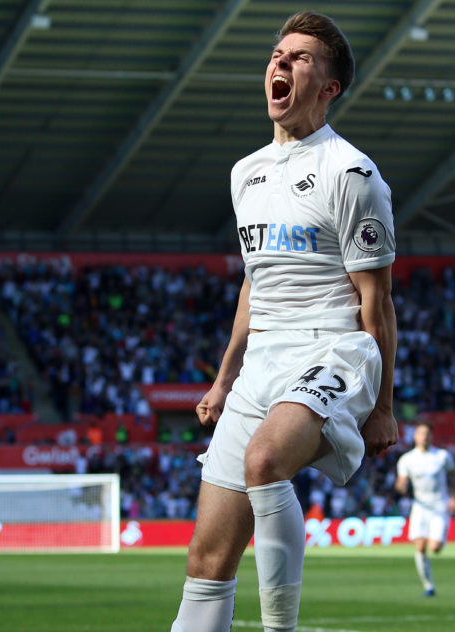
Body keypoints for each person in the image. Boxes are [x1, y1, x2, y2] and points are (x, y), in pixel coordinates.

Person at [169, 11, 397, 632]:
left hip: (333, 348)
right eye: (276, 55)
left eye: (298, 58)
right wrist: (223, 380)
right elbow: (255, 283)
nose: (279, 64)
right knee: (207, 557)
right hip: (261, 358)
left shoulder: (352, 175)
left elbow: (377, 301)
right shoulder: (247, 173)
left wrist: (382, 406)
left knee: (265, 461)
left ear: (329, 87)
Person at [395, 422, 455, 597]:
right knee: (420, 546)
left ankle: (437, 546)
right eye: (421, 433)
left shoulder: (442, 456)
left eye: (427, 434)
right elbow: (401, 482)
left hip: (440, 505)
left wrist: (454, 497)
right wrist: (401, 486)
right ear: (415, 436)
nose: (424, 437)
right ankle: (428, 585)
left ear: (432, 437)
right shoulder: (407, 459)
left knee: (435, 547)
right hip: (420, 506)